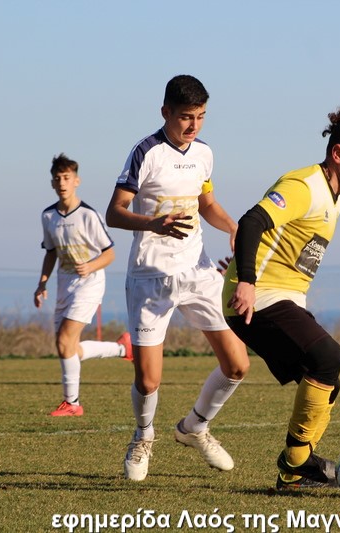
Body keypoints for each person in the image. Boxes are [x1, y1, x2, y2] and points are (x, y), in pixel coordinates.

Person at [223, 108, 340, 491]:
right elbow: (251, 222)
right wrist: (246, 280)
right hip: (257, 297)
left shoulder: (336, 200)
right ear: (338, 153)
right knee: (328, 357)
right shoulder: (304, 186)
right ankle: (296, 460)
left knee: (327, 382)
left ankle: (293, 476)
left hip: (284, 299)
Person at [105, 74, 249, 482]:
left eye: (200, 116)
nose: (194, 125)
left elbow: (207, 204)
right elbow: (114, 212)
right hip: (150, 277)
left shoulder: (204, 153)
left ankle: (194, 428)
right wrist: (153, 224)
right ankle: (143, 436)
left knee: (238, 365)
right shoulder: (145, 152)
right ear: (166, 112)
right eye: (186, 116)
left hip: (198, 272)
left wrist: (234, 228)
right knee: (148, 378)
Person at [34, 153, 133, 417]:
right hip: (63, 286)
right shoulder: (48, 216)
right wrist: (42, 284)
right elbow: (51, 252)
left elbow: (110, 254)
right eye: (57, 179)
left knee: (65, 340)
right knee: (68, 348)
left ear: (76, 181)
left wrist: (90, 266)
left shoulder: (89, 215)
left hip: (89, 284)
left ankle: (72, 404)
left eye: (66, 178)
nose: (62, 183)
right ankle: (123, 348)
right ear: (52, 183)